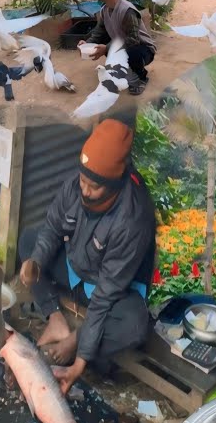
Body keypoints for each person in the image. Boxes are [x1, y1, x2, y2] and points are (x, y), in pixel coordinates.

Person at [17, 118, 158, 395]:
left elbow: (106, 293)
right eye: (82, 180)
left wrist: (79, 355)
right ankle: (55, 318)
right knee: (29, 242)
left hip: (113, 292)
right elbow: (53, 228)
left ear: (114, 184)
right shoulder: (79, 182)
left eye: (94, 187)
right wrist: (37, 262)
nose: (85, 190)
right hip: (76, 271)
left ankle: (73, 339)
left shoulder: (132, 218)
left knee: (135, 325)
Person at [78, 0, 157, 95]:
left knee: (132, 50)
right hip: (122, 46)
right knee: (104, 42)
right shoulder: (104, 10)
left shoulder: (127, 11)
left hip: (143, 50)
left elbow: (133, 40)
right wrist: (87, 44)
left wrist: (107, 48)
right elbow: (99, 32)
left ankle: (141, 78)